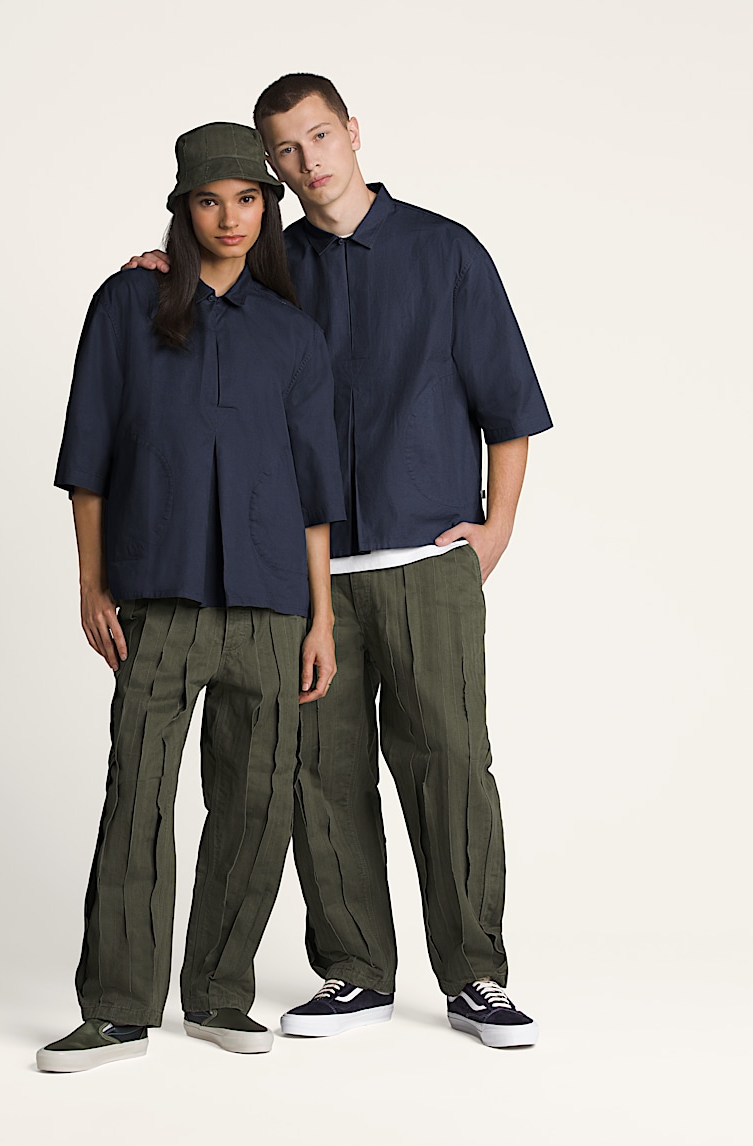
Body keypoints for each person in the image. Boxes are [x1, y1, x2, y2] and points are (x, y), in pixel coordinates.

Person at [127, 75, 553, 1050]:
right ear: (271, 166)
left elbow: (509, 405)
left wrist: (496, 528)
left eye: (319, 135)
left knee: (450, 761)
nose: (307, 159)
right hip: (306, 575)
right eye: (285, 149)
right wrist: (160, 267)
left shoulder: (445, 251)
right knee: (319, 774)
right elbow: (198, 319)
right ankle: (356, 972)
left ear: (352, 132)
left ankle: (476, 975)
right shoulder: (269, 268)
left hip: (425, 559)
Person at [38, 121, 345, 1072]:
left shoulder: (293, 335)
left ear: (269, 209)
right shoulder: (127, 304)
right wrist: (90, 583)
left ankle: (218, 995)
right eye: (210, 200)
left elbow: (314, 492)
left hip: (270, 607)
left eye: (248, 199)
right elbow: (90, 453)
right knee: (137, 798)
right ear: (183, 209)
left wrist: (323, 618)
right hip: (158, 601)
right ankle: (117, 1010)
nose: (230, 218)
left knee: (257, 805)